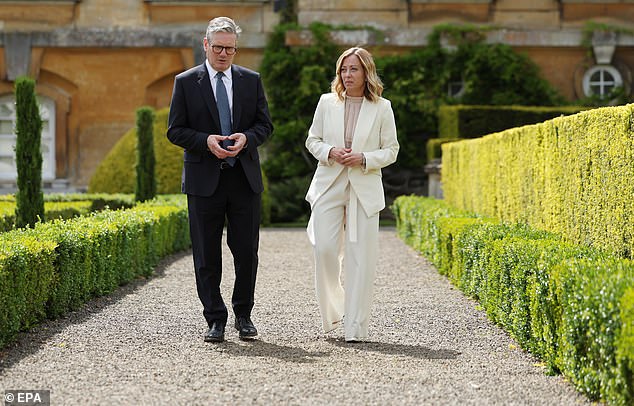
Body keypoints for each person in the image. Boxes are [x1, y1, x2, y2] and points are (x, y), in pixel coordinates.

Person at [167, 16, 273, 343]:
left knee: (246, 253)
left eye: (231, 49)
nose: (224, 54)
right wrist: (206, 141)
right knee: (206, 254)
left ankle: (244, 315)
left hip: (243, 179)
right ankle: (215, 318)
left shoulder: (250, 80)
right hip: (204, 181)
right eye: (219, 47)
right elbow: (175, 130)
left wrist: (247, 139)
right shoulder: (186, 82)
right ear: (206, 45)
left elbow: (264, 125)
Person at [305, 47, 399, 343]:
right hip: (329, 183)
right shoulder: (326, 102)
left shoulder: (382, 107)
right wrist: (330, 152)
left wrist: (364, 158)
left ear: (366, 72)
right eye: (343, 69)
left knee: (361, 257)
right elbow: (312, 140)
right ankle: (334, 312)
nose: (347, 75)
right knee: (325, 250)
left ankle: (356, 328)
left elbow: (391, 150)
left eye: (353, 69)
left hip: (364, 187)